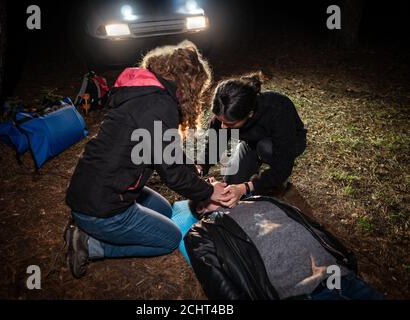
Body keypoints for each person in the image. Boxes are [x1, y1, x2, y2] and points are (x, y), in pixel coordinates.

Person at [64, 41, 230, 278]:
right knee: (170, 239)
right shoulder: (160, 107)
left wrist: (194, 174)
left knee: (165, 211)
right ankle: (89, 243)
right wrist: (207, 192)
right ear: (189, 86)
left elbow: (166, 149)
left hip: (93, 188)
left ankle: (98, 226)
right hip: (101, 207)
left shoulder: (148, 94)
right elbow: (171, 172)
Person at [186, 197, 384, 300]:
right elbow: (218, 284)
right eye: (210, 184)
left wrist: (345, 258)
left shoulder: (261, 199)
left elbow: (313, 227)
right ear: (201, 208)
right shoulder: (202, 231)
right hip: (300, 292)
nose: (217, 181)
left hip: (340, 275)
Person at [198, 72, 307, 208]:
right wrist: (201, 166)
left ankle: (277, 183)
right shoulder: (225, 113)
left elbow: (283, 166)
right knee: (232, 183)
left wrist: (246, 187)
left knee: (266, 150)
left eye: (230, 124)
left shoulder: (278, 109)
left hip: (289, 141)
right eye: (220, 121)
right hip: (252, 142)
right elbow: (214, 146)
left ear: (249, 114)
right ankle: (254, 165)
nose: (223, 127)